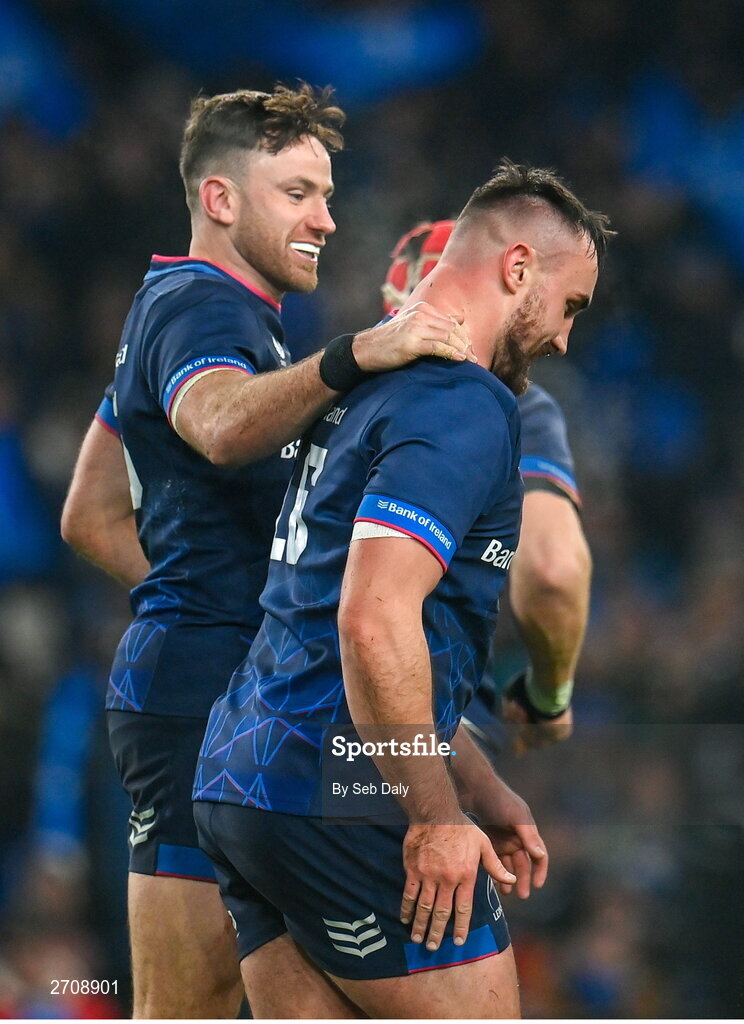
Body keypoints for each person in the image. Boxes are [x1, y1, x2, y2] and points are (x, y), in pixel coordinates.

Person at [60, 84, 472, 1019]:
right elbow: (212, 426)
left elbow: (89, 513)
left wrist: (243, 621)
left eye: (327, 194)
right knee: (186, 1005)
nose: (327, 219)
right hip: (194, 694)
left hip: (232, 684)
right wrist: (355, 357)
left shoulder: (188, 312)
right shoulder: (204, 311)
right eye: (298, 193)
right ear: (220, 200)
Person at [193, 161, 611, 1018]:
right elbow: (373, 622)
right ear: (519, 268)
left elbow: (340, 627)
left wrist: (478, 784)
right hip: (338, 788)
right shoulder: (463, 401)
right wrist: (433, 813)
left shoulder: (361, 387)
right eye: (570, 307)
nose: (565, 340)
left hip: (242, 779)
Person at [382, 220, 593, 755]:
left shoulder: (323, 385)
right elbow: (552, 572)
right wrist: (549, 695)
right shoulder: (513, 406)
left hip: (278, 730)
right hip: (423, 737)